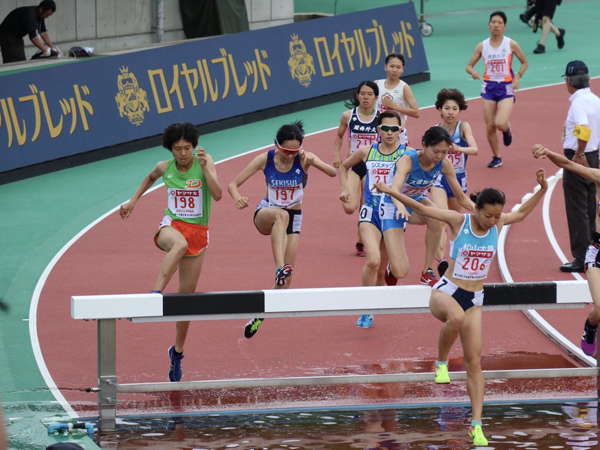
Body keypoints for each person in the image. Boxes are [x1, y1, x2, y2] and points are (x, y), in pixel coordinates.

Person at [375, 167, 548, 447]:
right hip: (447, 291)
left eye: (496, 216)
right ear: (476, 208)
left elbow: (521, 213)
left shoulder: (499, 223)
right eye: (487, 215)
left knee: (475, 363)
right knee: (454, 317)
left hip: (475, 298)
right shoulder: (460, 221)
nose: (492, 221)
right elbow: (424, 209)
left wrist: (542, 189)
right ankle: (441, 363)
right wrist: (391, 191)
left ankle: (476, 425)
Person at [119, 122, 222, 382]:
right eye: (178, 149)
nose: (184, 153)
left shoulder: (204, 161)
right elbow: (150, 177)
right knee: (179, 245)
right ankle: (155, 294)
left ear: (194, 146)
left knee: (185, 301)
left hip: (198, 232)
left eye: (187, 148)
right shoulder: (164, 167)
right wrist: (133, 200)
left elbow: (218, 195)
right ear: (170, 149)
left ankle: (177, 352)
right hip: (172, 225)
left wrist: (207, 169)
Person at [229, 121, 336, 337]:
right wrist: (238, 197)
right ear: (276, 145)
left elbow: (333, 173)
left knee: (286, 284)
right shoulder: (265, 159)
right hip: (267, 213)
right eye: (286, 150)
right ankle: (279, 267)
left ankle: (259, 316)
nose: (289, 155)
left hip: (294, 218)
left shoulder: (303, 159)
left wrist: (314, 162)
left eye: (294, 151)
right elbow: (233, 184)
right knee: (281, 214)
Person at [339, 110, 409, 328]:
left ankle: (381, 292)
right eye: (385, 128)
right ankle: (366, 309)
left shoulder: (408, 155)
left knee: (384, 269)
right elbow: (343, 166)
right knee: (373, 260)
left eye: (394, 129)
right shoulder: (366, 151)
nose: (389, 133)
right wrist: (346, 188)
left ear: (401, 131)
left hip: (392, 213)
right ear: (378, 130)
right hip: (370, 211)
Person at [382, 126, 475, 287]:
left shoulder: (444, 164)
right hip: (393, 204)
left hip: (418, 201)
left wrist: (480, 212)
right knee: (401, 272)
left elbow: (460, 197)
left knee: (438, 218)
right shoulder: (408, 160)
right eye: (435, 151)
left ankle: (427, 271)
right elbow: (394, 189)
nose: (439, 156)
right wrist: (400, 206)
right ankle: (392, 266)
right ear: (424, 145)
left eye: (444, 152)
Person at [533, 144, 600, 356]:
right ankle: (591, 325)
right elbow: (567, 164)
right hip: (598, 254)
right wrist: (548, 152)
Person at [466, 11, 528, 169]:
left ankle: (507, 130)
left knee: (500, 123)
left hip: (506, 87)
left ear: (504, 26)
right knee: (489, 126)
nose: (496, 25)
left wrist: (518, 77)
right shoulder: (482, 46)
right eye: (493, 22)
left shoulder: (511, 44)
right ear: (489, 25)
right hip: (489, 87)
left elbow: (524, 63)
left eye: (499, 23)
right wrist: (473, 72)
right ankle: (497, 157)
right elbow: (469, 65)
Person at [430, 89, 478, 277]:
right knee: (441, 219)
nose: (450, 112)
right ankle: (441, 262)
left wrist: (460, 149)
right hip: (439, 178)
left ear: (459, 110)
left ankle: (453, 260)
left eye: (454, 108)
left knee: (454, 222)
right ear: (440, 110)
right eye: (447, 108)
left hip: (458, 179)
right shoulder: (435, 130)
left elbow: (475, 149)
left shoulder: (463, 127)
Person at [558, 60, 600, 273]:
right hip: (594, 155)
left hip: (579, 157)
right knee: (591, 206)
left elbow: (583, 129)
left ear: (568, 81)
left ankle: (581, 256)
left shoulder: (578, 103)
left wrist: (578, 154)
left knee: (577, 208)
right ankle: (593, 253)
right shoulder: (595, 100)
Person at [333, 81, 380, 257]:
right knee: (349, 208)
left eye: (370, 94)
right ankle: (345, 191)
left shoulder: (382, 117)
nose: (366, 97)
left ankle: (362, 240)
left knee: (366, 205)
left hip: (373, 165)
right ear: (357, 95)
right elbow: (339, 136)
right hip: (353, 164)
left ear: (376, 97)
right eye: (363, 93)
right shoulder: (348, 115)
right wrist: (336, 154)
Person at [375, 53, 420, 145]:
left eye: (398, 67)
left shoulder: (404, 88)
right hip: (379, 133)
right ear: (385, 67)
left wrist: (394, 106)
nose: (394, 70)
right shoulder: (377, 84)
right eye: (392, 66)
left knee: (400, 159)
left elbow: (416, 112)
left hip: (398, 133)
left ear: (403, 69)